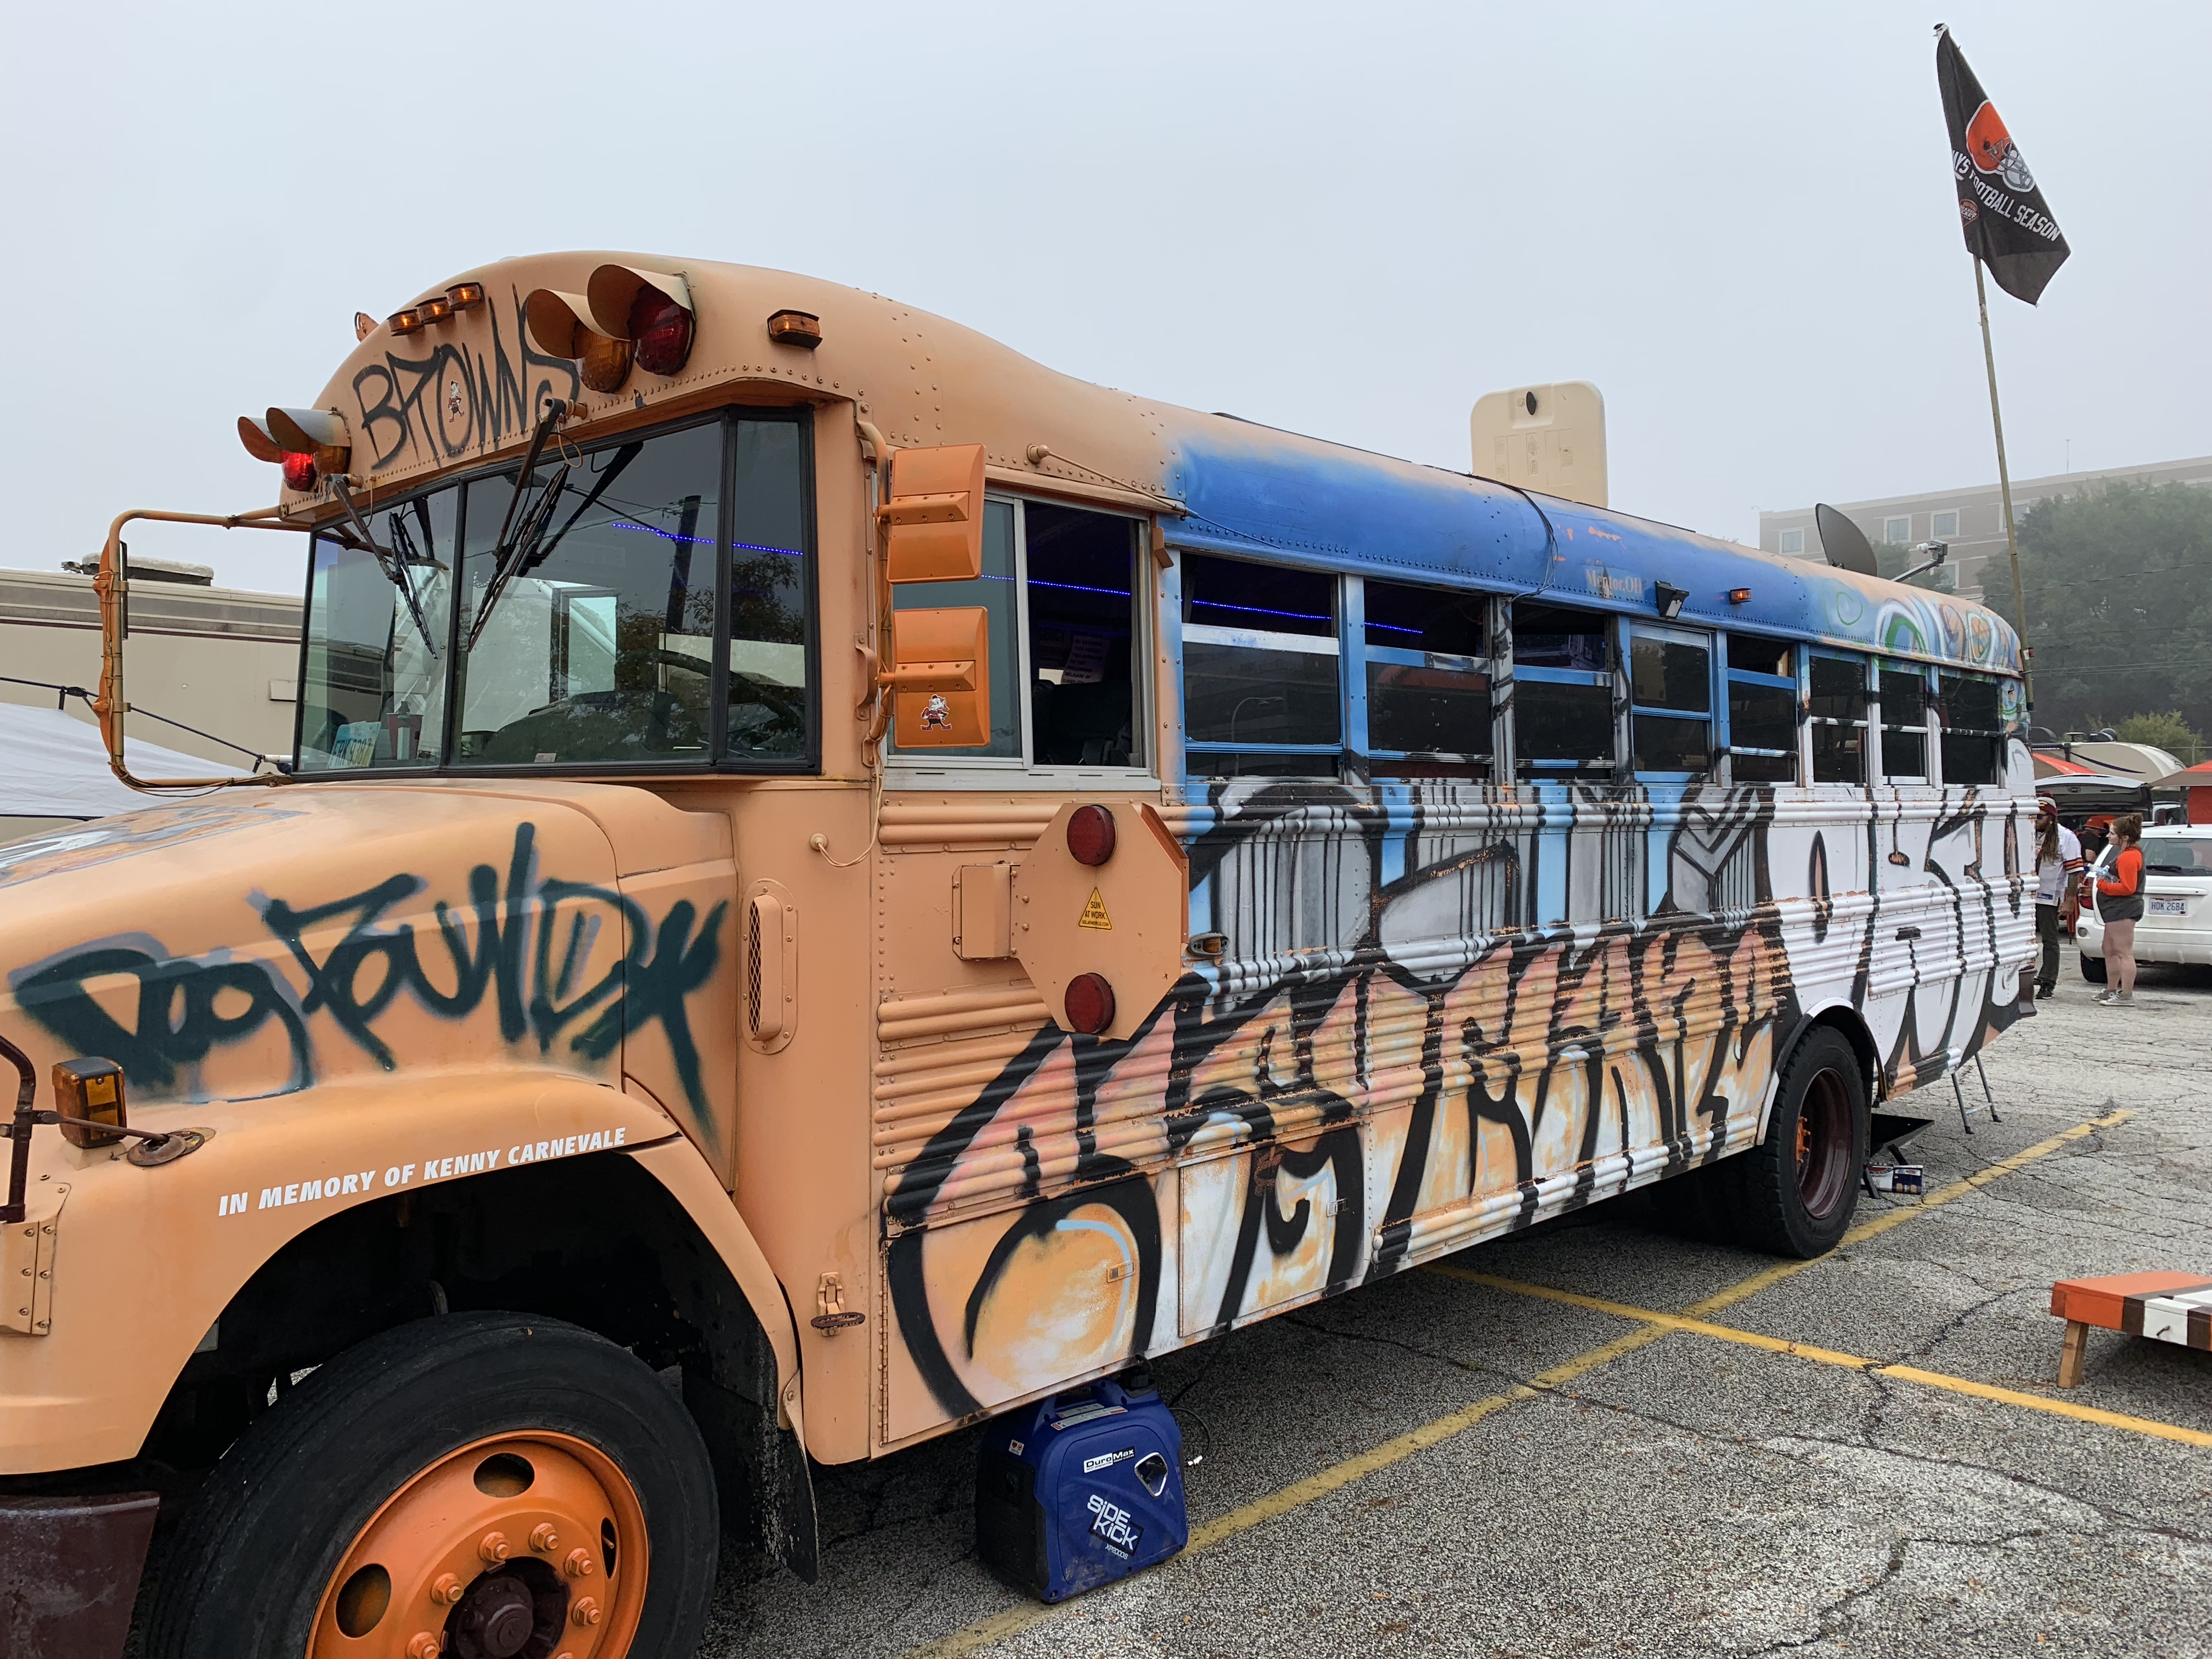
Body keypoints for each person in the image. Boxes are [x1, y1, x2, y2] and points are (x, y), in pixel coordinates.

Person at [2091, 811, 2145, 1007]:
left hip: (2123, 909)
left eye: (2112, 833)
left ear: (2125, 838)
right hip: (2114, 910)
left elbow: (2128, 887)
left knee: (2124, 952)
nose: (2108, 836)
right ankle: (2111, 989)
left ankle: (2126, 995)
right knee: (2109, 948)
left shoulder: (2129, 857)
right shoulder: (2123, 855)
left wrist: (2103, 885)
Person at [2032, 796, 2083, 998]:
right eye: (2033, 816)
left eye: (2040, 817)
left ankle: (2048, 980)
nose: (2035, 820)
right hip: (2025, 894)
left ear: (2051, 818)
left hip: (2048, 895)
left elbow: (2074, 871)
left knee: (2049, 939)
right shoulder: (2026, 832)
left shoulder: (2066, 837)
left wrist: (2070, 900)